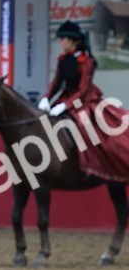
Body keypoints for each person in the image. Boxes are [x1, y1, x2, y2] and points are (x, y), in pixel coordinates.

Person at [38, 20, 129, 179]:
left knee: (82, 125)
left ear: (73, 41)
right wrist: (46, 98)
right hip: (65, 98)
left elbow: (83, 90)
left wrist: (65, 106)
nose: (61, 42)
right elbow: (57, 82)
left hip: (83, 100)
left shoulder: (87, 62)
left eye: (64, 39)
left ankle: (89, 163)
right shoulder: (63, 59)